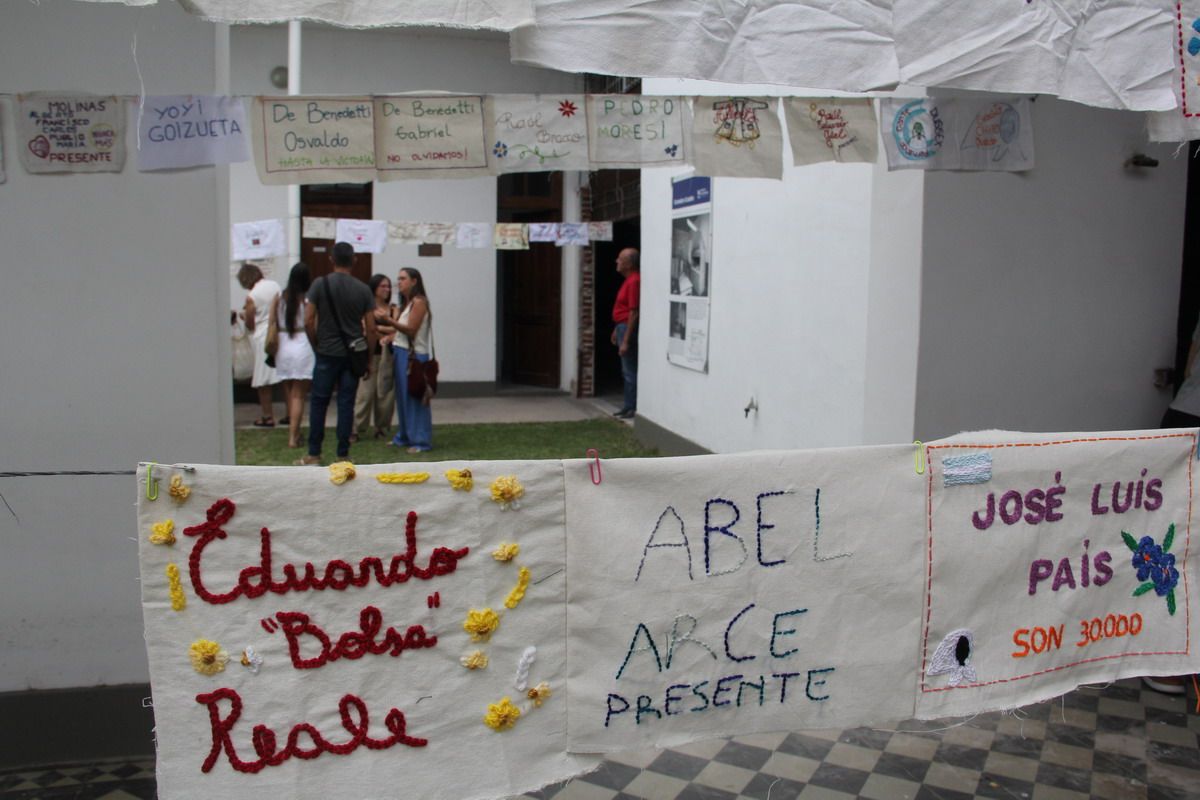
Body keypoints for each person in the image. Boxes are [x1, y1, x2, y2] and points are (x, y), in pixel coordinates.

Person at [297, 243, 376, 466]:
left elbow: (308, 320)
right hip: (352, 355)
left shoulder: (319, 285)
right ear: (354, 260)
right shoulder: (363, 289)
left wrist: (317, 344)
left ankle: (314, 453)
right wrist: (368, 358)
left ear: (331, 259)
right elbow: (371, 328)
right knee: (346, 403)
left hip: (326, 352)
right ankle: (343, 453)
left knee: (319, 402)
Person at [269, 263, 315, 449]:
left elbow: (271, 321)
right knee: (299, 395)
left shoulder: (279, 297)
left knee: (288, 391)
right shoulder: (307, 299)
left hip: (282, 343)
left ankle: (294, 431)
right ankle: (293, 436)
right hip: (302, 343)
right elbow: (311, 323)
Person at [390, 267, 434, 454]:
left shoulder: (419, 302)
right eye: (398, 279)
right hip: (402, 352)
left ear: (414, 281)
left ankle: (421, 439)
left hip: (414, 356)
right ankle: (405, 435)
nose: (399, 282)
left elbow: (411, 329)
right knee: (402, 397)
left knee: (416, 396)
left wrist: (388, 321)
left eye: (403, 278)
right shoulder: (407, 303)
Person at [353, 274, 398, 441]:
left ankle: (381, 426)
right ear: (374, 289)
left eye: (388, 286)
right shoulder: (367, 308)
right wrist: (384, 329)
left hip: (388, 356)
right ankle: (357, 427)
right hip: (370, 355)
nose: (386, 289)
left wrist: (380, 329)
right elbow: (365, 328)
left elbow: (399, 331)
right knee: (365, 393)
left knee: (385, 394)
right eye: (382, 286)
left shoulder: (393, 309)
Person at [237, 262, 281, 427]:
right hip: (277, 333)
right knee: (282, 376)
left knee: (262, 380)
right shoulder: (275, 285)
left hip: (262, 336)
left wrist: (243, 316)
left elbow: (250, 323)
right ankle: (290, 414)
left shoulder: (252, 296)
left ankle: (267, 416)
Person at [611, 247, 640, 419]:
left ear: (629, 263)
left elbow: (633, 312)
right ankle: (628, 405)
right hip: (621, 326)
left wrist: (626, 341)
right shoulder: (628, 280)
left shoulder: (634, 281)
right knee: (626, 369)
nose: (617, 261)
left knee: (629, 370)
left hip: (627, 329)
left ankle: (632, 406)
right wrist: (616, 329)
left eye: (620, 259)